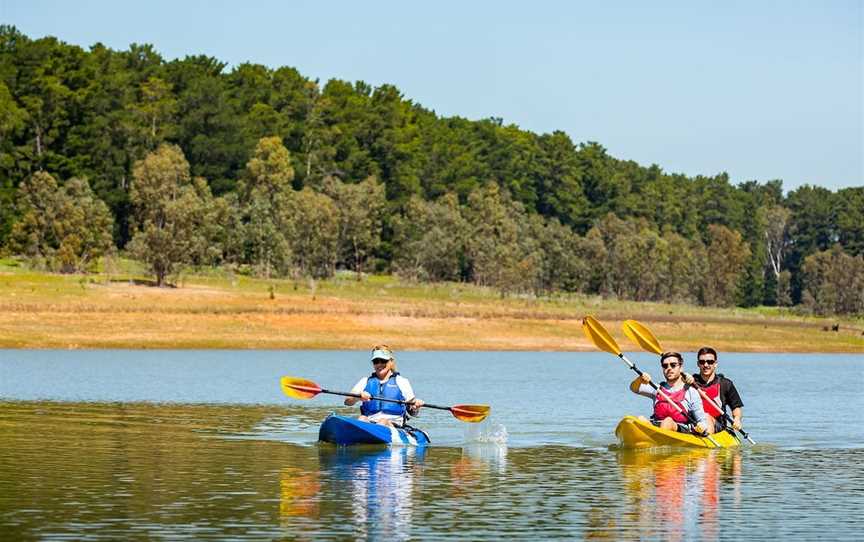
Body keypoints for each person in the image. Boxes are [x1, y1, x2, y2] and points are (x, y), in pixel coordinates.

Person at [629, 351, 711, 435]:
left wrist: (701, 426)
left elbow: (702, 421)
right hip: (657, 425)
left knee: (667, 421)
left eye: (673, 365)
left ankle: (657, 442)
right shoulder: (657, 388)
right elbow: (634, 388)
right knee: (640, 419)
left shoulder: (691, 392)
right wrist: (640, 379)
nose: (669, 368)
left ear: (681, 367)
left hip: (680, 428)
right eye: (665, 366)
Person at [344, 344, 424, 427]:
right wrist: (358, 397)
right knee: (362, 418)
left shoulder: (402, 381)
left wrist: (416, 407)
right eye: (376, 361)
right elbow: (347, 402)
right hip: (369, 422)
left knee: (383, 421)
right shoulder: (365, 381)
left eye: (383, 361)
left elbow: (413, 413)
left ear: (391, 362)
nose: (379, 364)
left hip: (393, 424)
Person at [684, 347, 744, 433]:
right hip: (694, 423)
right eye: (702, 362)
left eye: (710, 362)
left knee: (706, 417)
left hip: (717, 426)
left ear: (715, 364)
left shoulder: (725, 384)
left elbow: (736, 407)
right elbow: (678, 378)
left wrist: (737, 419)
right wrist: (683, 377)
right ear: (698, 364)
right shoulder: (690, 381)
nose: (706, 365)